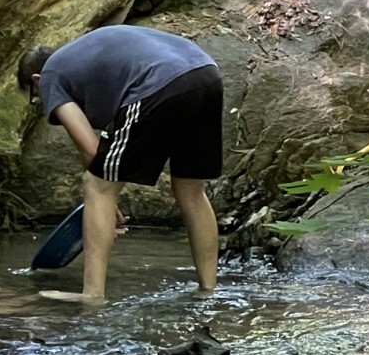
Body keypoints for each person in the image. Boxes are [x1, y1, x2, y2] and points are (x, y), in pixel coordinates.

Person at [18, 25, 223, 304]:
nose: (42, 104)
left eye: (36, 98)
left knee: (94, 186)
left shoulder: (51, 75)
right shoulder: (86, 59)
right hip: (206, 75)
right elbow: (97, 155)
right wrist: (104, 199)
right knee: (191, 191)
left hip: (158, 83)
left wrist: (102, 200)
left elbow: (90, 149)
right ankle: (209, 289)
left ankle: (92, 295)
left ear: (36, 79)